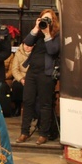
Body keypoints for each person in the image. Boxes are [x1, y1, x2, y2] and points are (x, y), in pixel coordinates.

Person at [16, 9, 60, 145]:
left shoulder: (57, 35)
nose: (45, 22)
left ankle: (43, 134)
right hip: (32, 72)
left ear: (53, 21)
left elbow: (53, 50)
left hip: (46, 74)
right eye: (43, 18)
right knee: (28, 101)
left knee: (45, 104)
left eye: (48, 19)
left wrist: (47, 33)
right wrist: (36, 28)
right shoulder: (38, 32)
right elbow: (27, 42)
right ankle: (24, 132)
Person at [9, 42, 33, 118]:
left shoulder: (35, 54)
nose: (27, 47)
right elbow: (14, 69)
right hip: (20, 77)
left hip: (32, 77)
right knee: (17, 86)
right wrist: (21, 79)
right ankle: (17, 106)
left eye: (30, 45)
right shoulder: (18, 53)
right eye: (26, 45)